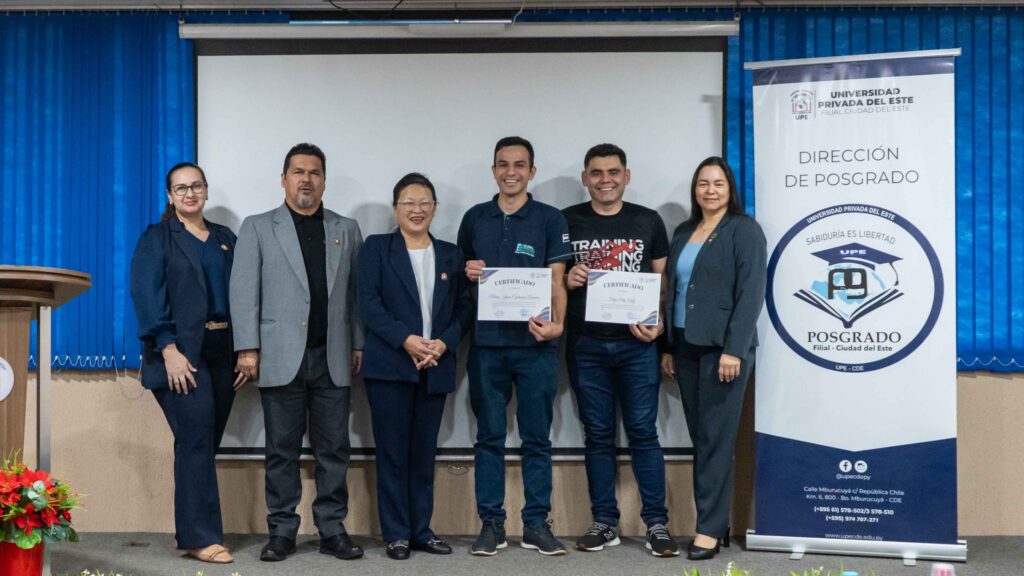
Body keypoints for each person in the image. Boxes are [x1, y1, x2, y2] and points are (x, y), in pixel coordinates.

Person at [230, 143, 365, 563]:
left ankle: (332, 529)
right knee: (281, 451)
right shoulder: (257, 227)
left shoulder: (347, 228)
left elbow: (356, 294)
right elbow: (243, 292)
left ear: (324, 180)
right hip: (279, 355)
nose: (306, 180)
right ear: (283, 178)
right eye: (298, 172)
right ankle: (282, 531)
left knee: (334, 450)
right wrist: (247, 348)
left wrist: (358, 342)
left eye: (314, 173)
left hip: (332, 356)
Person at [457, 136, 572, 556]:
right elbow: (462, 274)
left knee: (536, 438)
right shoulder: (474, 218)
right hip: (487, 346)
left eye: (519, 165)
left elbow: (557, 279)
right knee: (489, 437)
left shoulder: (550, 218)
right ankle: (491, 524)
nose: (511, 172)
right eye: (503, 164)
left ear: (532, 171)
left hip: (535, 346)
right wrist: (469, 271)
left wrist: (558, 326)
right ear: (493, 170)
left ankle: (536, 523)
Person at [562, 144, 678, 557]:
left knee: (644, 432)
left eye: (613, 172)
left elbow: (663, 284)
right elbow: (551, 278)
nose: (605, 180)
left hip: (637, 346)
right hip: (586, 344)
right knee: (597, 435)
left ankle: (657, 523)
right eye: (596, 173)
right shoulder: (566, 221)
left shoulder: (648, 220)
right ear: (585, 178)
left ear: (627, 176)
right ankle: (604, 521)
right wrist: (568, 279)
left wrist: (659, 327)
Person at [130, 162, 242, 564]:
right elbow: (146, 296)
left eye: (196, 186)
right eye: (180, 188)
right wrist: (168, 349)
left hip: (223, 352)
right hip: (180, 354)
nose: (189, 193)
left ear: (206, 191)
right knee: (195, 440)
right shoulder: (157, 238)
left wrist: (248, 349)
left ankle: (193, 531)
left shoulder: (226, 239)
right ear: (170, 196)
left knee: (205, 443)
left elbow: (244, 295)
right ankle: (200, 539)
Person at [356, 173, 472, 560]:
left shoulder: (452, 254)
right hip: (390, 365)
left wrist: (443, 343)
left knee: (424, 454)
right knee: (392, 453)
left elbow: (464, 309)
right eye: (409, 202)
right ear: (396, 209)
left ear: (435, 208)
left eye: (425, 202)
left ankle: (422, 529)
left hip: (435, 365)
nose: (417, 209)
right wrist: (406, 339)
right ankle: (396, 533)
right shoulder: (376, 248)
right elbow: (369, 303)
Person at [660, 156, 766, 561]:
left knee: (716, 441)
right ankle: (713, 522)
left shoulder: (744, 230)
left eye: (718, 183)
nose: (710, 190)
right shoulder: (683, 231)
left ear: (730, 188)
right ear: (695, 189)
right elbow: (673, 290)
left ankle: (708, 528)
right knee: (701, 438)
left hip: (724, 351)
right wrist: (668, 346)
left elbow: (751, 292)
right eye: (703, 183)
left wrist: (734, 349)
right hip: (685, 347)